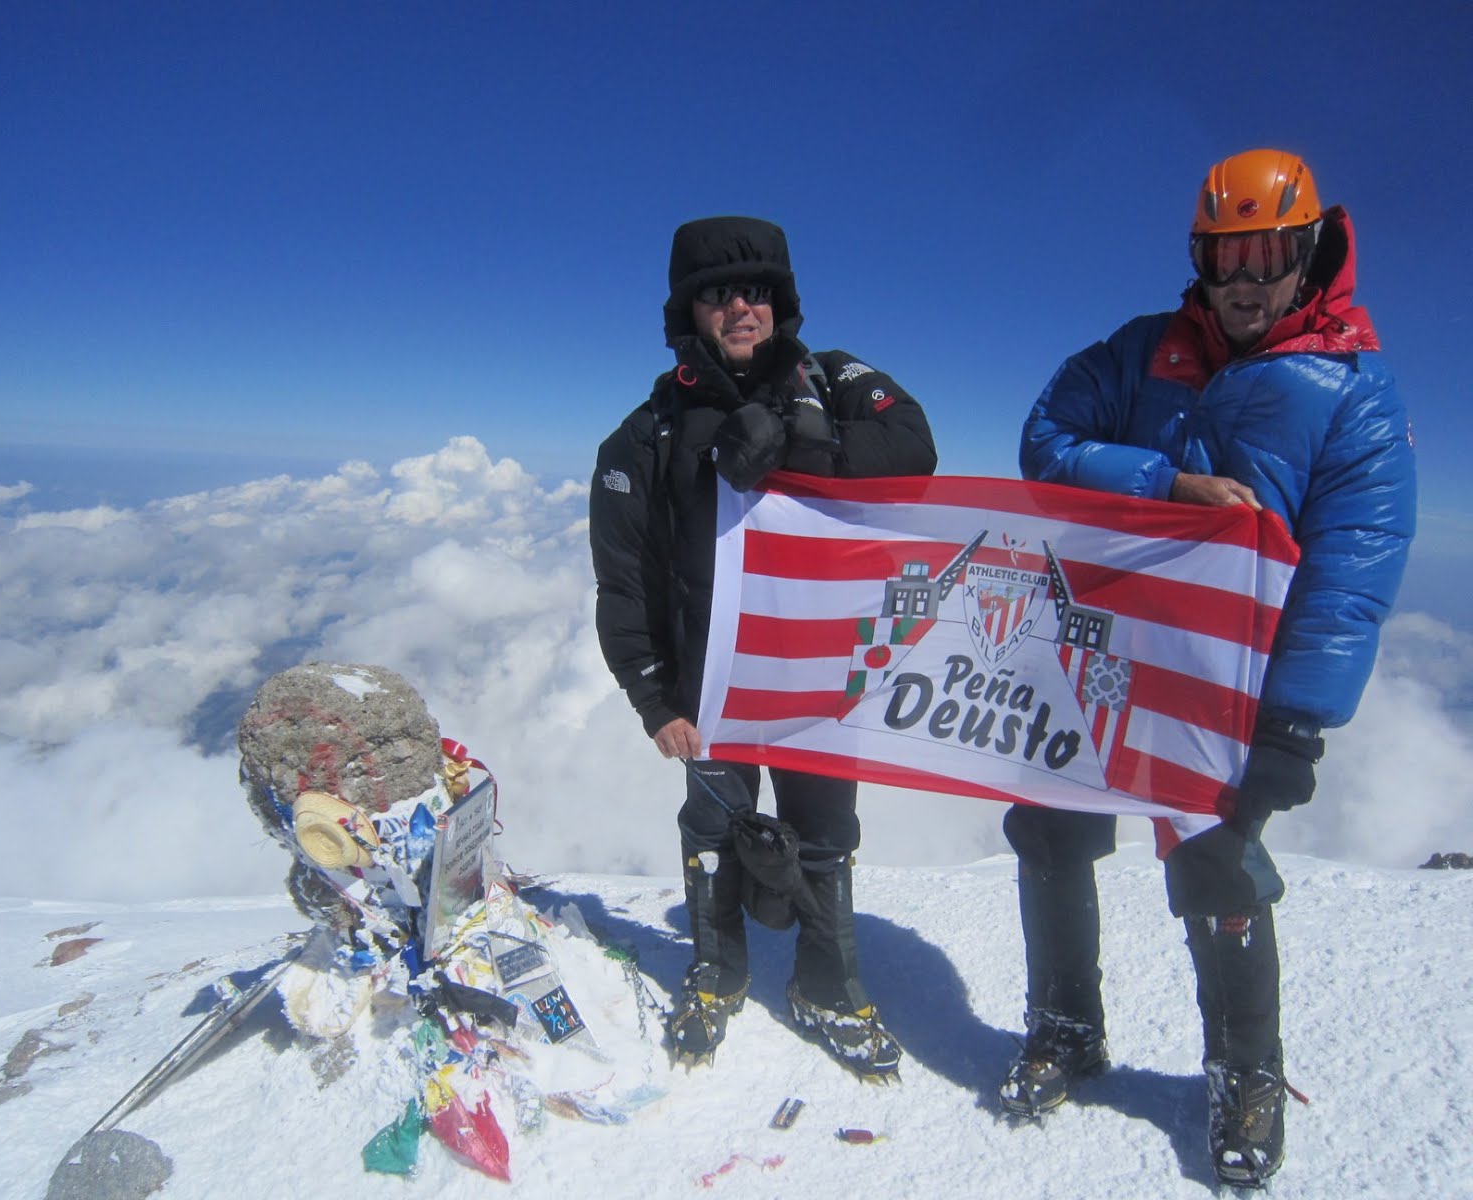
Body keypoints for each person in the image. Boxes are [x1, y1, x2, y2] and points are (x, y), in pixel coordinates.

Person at [998, 150, 1416, 1186]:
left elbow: (1350, 571)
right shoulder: (1142, 351)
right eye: (1224, 254)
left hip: (1226, 689)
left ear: (1309, 252)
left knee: (1216, 866)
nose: (1244, 279)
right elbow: (1044, 439)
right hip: (1095, 653)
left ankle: (1245, 1076)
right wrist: (1162, 483)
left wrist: (1293, 725)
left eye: (1268, 252)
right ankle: (1063, 1025)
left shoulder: (1351, 395)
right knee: (1048, 831)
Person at [589, 216, 937, 1079]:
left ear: (781, 304)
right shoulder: (644, 436)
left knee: (824, 835)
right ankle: (717, 971)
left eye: (756, 291)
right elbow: (624, 582)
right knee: (714, 829)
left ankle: (827, 983)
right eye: (717, 293)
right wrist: (653, 699)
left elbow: (915, 450)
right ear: (688, 312)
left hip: (825, 675)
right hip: (712, 687)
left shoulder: (835, 379)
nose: (739, 307)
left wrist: (805, 442)